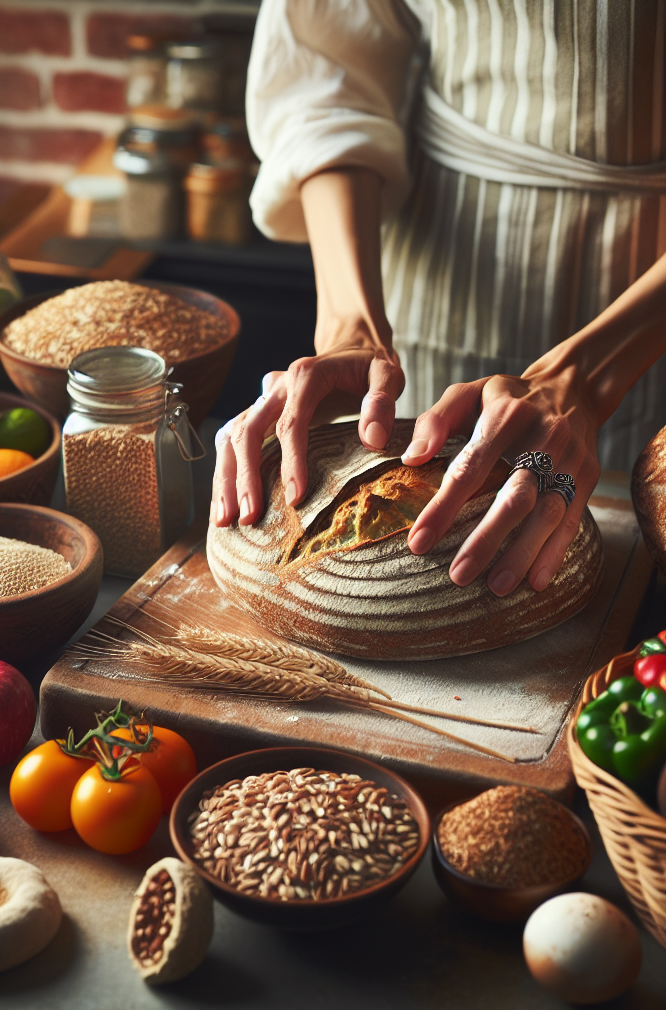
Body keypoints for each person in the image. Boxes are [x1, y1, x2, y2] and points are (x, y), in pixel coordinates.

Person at [212, 0, 666, 598]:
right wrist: (352, 326)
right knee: (410, 569)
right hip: (439, 260)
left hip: (647, 295)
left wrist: (586, 374)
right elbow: (328, 76)